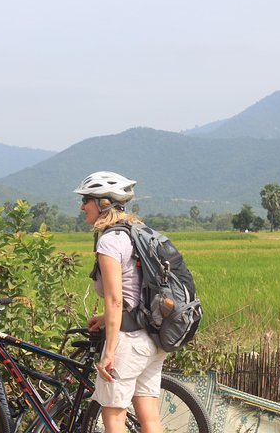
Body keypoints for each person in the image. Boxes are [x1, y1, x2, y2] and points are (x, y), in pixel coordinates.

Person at [74, 171, 167, 433]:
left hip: (130, 342)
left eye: (86, 200)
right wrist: (104, 320)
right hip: (153, 338)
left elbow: (115, 300)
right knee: (149, 419)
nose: (82, 207)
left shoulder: (109, 241)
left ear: (103, 203)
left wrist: (110, 353)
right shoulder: (137, 233)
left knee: (113, 417)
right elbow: (136, 294)